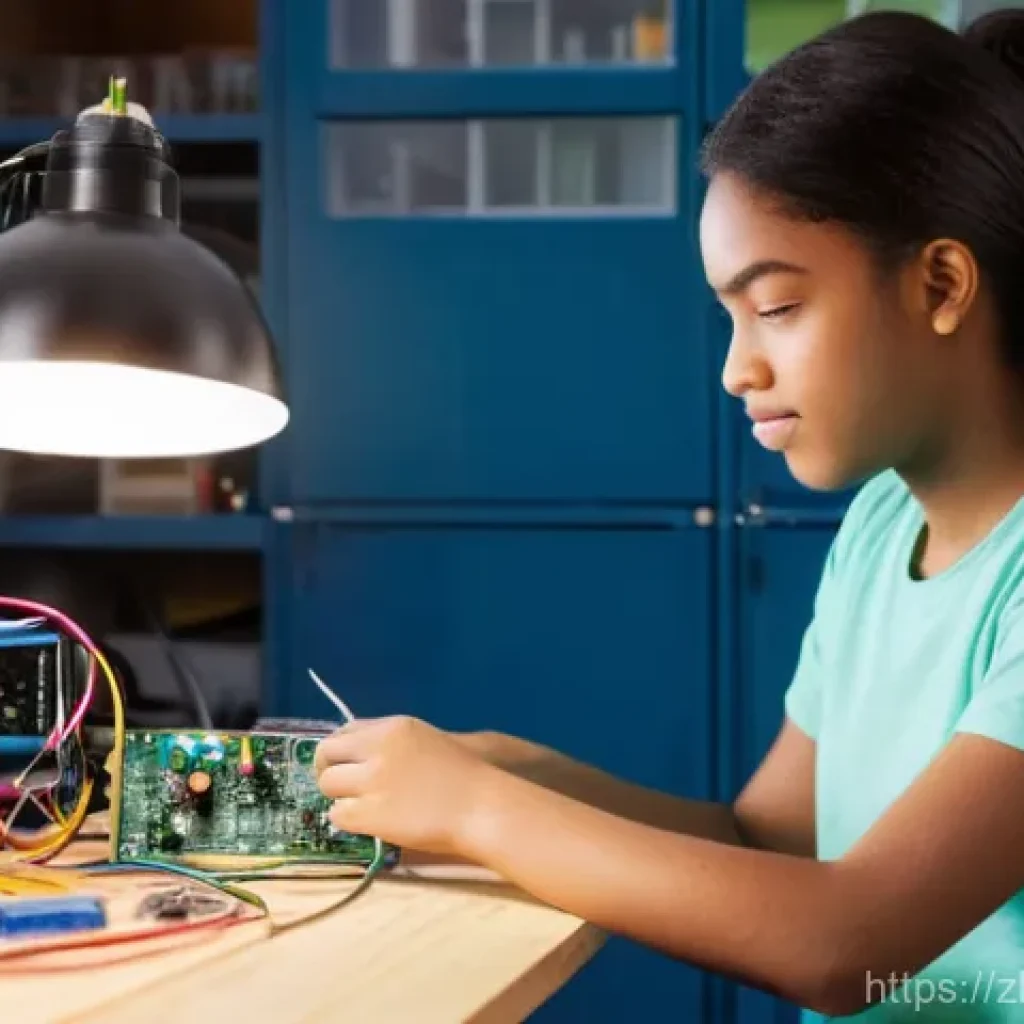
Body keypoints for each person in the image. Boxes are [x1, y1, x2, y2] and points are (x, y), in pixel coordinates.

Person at [314, 10, 1024, 1019]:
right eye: (728, 317)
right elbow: (763, 838)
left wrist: (476, 809)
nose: (738, 369)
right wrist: (522, 774)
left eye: (775, 306)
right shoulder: (877, 529)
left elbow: (846, 941)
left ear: (941, 283)